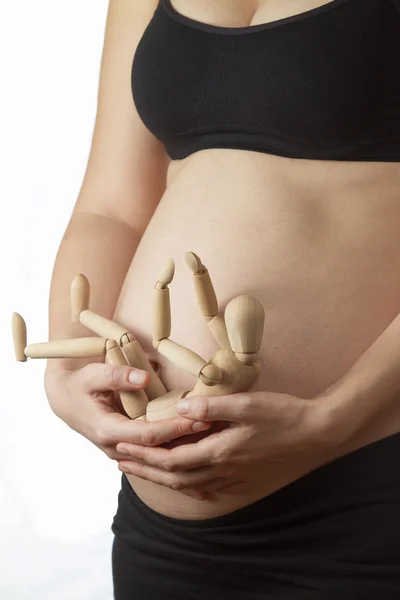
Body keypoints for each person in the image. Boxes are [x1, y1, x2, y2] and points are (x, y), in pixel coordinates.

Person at [44, 0, 400, 598]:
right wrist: (68, 371)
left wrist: (335, 416)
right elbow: (110, 207)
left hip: (372, 483)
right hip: (165, 528)